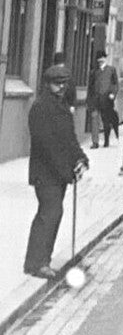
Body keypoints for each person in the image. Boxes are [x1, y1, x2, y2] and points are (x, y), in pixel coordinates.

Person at [24, 53, 88, 279]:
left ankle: (37, 261)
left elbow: (70, 139)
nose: (61, 88)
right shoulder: (41, 108)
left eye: (64, 84)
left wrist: (80, 159)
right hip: (45, 173)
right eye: (56, 84)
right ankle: (39, 262)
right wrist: (66, 170)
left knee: (50, 214)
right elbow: (47, 146)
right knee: (50, 213)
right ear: (47, 84)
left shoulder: (61, 107)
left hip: (58, 174)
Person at [86, 50, 119, 149]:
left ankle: (106, 140)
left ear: (105, 59)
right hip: (95, 99)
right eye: (99, 59)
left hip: (107, 99)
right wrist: (89, 100)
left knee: (106, 120)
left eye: (102, 58)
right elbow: (90, 87)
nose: (100, 60)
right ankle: (95, 142)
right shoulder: (93, 72)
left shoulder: (111, 70)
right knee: (95, 120)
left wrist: (113, 94)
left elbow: (115, 84)